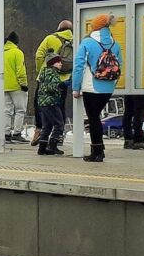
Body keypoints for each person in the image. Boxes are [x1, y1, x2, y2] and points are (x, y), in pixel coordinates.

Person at [72, 13, 122, 163]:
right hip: (108, 87)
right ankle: (99, 149)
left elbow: (79, 66)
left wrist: (76, 87)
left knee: (93, 118)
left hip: (91, 86)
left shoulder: (87, 43)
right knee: (96, 117)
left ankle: (97, 151)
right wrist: (113, 84)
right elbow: (119, 66)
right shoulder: (115, 44)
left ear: (94, 27)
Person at [33, 20, 75, 143]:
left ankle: (40, 132)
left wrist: (40, 70)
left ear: (59, 28)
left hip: (46, 79)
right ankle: (58, 135)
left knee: (40, 105)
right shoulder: (75, 41)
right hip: (64, 78)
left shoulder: (50, 38)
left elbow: (39, 56)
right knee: (60, 107)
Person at [35, 50, 66, 155]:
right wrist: (61, 85)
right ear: (52, 63)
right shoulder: (52, 73)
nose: (61, 64)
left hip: (43, 103)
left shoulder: (44, 72)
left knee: (47, 126)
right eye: (58, 62)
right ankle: (52, 145)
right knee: (59, 124)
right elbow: (51, 87)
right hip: (51, 102)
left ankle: (42, 147)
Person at [3, 31, 28, 143]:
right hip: (17, 86)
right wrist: (23, 84)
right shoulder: (17, 53)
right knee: (20, 110)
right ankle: (17, 133)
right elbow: (20, 70)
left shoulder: (1, 52)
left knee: (6, 111)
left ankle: (6, 133)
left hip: (3, 85)